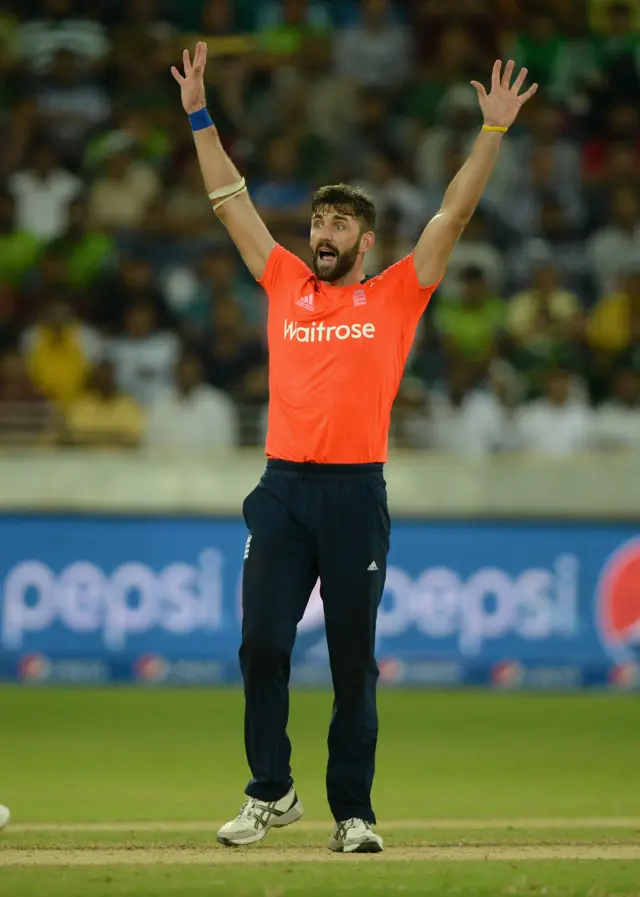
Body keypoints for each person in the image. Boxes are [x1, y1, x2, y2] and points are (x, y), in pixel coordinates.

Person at [172, 43, 537, 853]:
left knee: (351, 664)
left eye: (339, 223)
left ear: (365, 241)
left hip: (354, 495)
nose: (323, 232)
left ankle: (353, 813)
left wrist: (492, 133)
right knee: (261, 643)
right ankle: (271, 791)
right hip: (281, 491)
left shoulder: (397, 294)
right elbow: (227, 198)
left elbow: (453, 216)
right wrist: (199, 113)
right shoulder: (281, 282)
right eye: (317, 222)